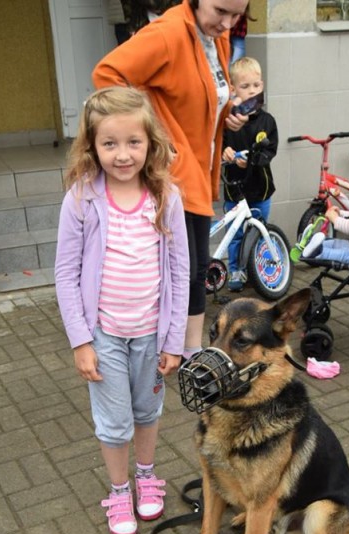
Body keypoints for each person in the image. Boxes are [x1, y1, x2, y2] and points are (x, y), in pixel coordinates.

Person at [54, 87, 190, 534]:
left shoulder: (165, 195)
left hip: (152, 335)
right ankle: (118, 489)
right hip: (105, 335)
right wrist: (81, 340)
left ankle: (147, 475)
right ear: (91, 145)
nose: (122, 154)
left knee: (147, 410)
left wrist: (174, 341)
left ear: (150, 141)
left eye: (133, 142)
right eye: (109, 143)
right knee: (114, 422)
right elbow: (65, 274)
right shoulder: (80, 199)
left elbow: (179, 271)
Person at [92, 0, 249, 360]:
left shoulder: (215, 36)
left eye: (237, 15)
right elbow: (107, 74)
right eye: (221, 11)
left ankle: (187, 347)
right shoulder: (167, 33)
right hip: (177, 170)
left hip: (201, 163)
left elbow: (206, 93)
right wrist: (154, 134)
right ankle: (181, 348)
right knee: (190, 266)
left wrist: (226, 116)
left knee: (193, 266)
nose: (227, 23)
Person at [222, 56, 278, 291]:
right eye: (245, 87)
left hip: (260, 190)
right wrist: (223, 153)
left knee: (259, 231)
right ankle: (236, 270)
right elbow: (217, 146)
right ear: (234, 89)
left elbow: (270, 151)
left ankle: (258, 270)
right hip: (234, 191)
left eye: (256, 85)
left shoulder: (267, 121)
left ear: (262, 86)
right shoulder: (227, 122)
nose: (252, 91)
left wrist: (252, 162)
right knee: (234, 236)